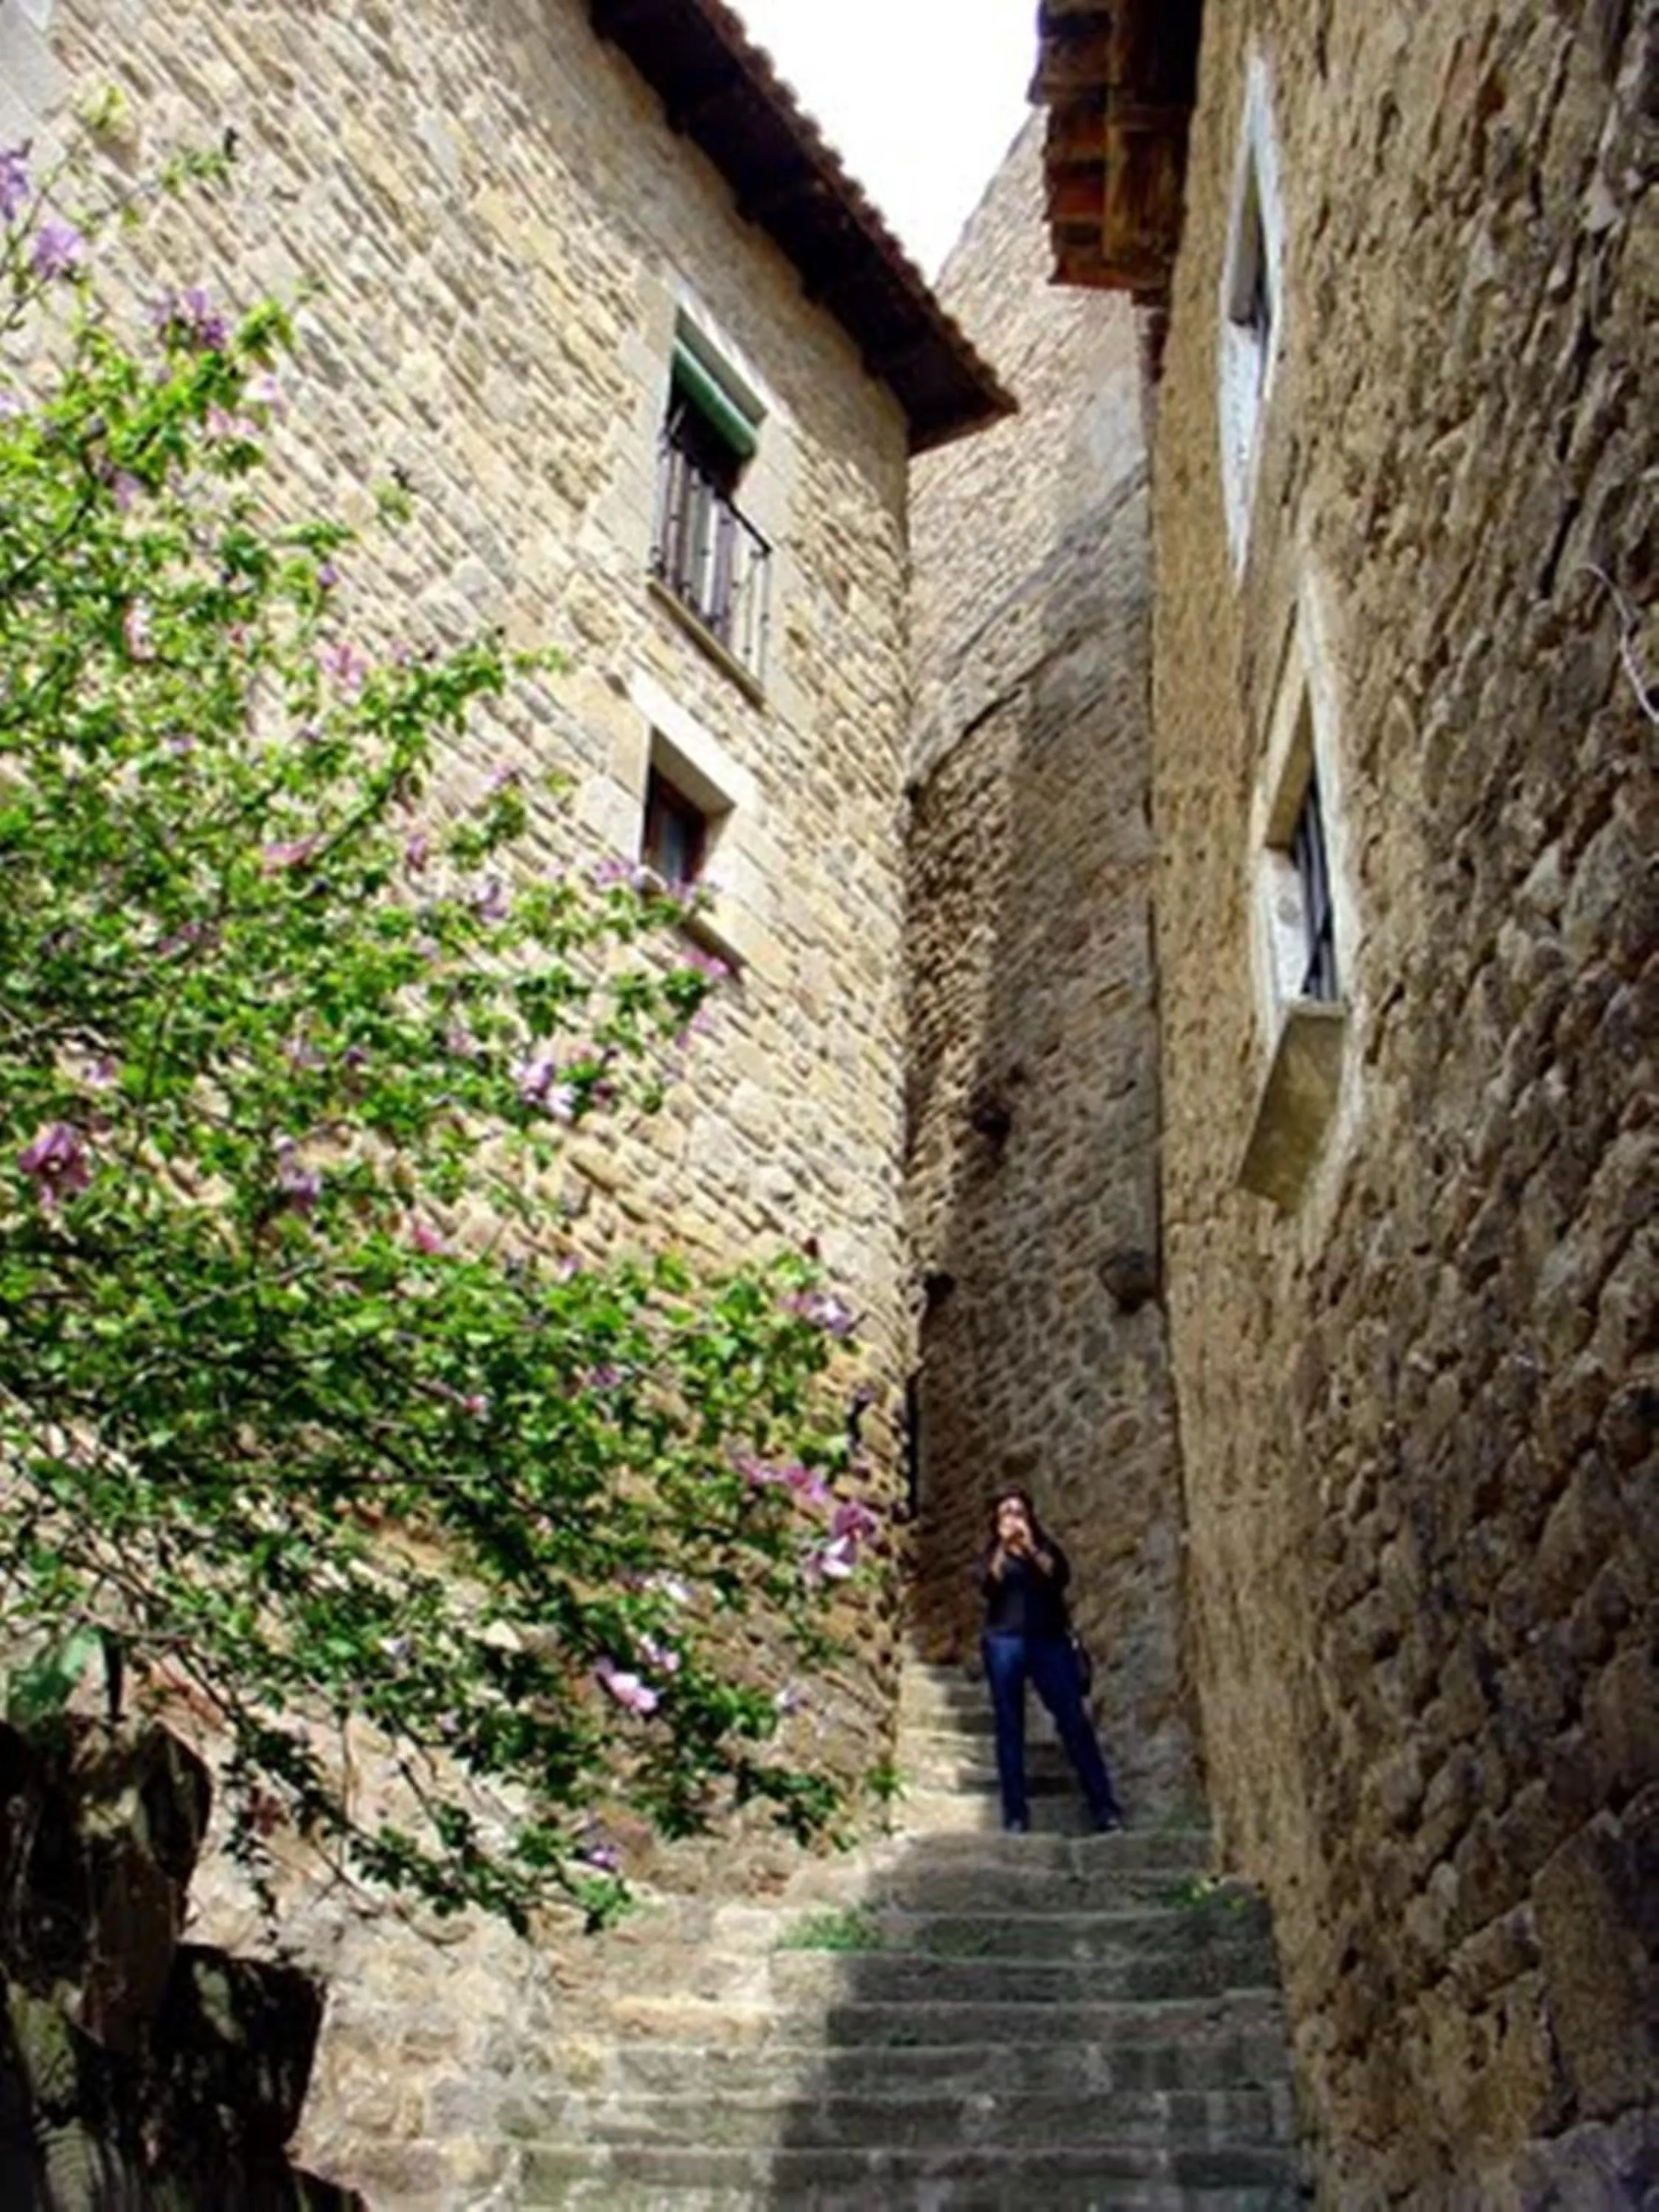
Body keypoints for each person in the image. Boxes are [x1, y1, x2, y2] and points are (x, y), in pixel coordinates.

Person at [978, 1486, 1124, 1834]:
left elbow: (1058, 1578)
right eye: (1005, 1513)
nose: (1013, 1518)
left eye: (1019, 1511)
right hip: (1004, 1642)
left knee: (1074, 1720)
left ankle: (1104, 1807)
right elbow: (987, 1584)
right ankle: (1015, 1814)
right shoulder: (990, 1554)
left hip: (1049, 1641)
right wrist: (1002, 1547)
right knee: (1009, 1726)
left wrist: (1029, 1547)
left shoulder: (1045, 1549)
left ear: (1030, 1517)